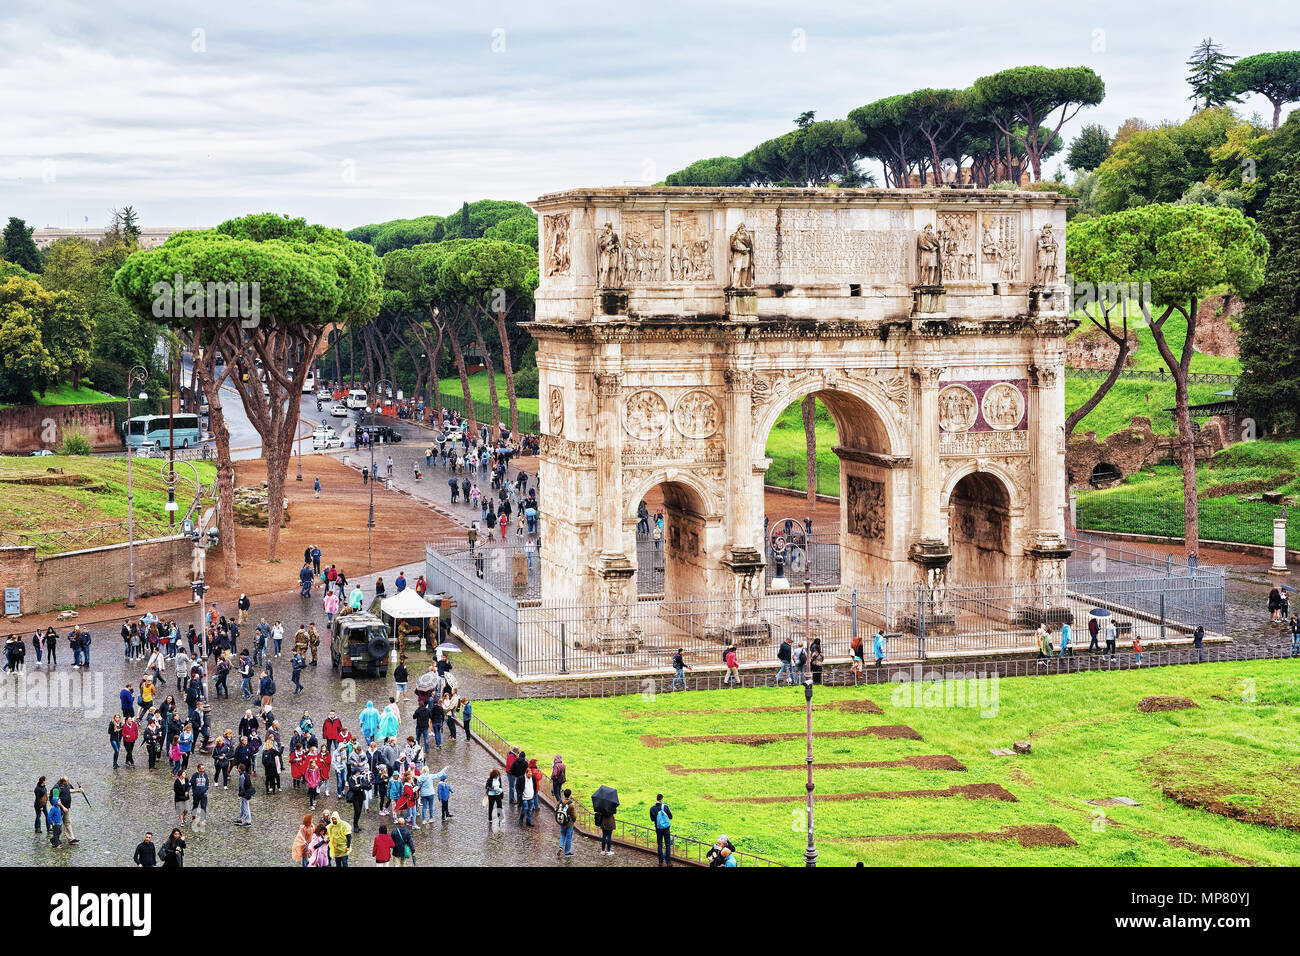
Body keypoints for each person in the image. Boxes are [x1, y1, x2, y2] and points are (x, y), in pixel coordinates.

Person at [651, 793, 673, 866]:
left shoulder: (652, 808)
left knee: (660, 845)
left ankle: (660, 861)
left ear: (656, 799)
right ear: (662, 799)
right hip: (666, 828)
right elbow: (670, 817)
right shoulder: (665, 807)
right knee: (667, 845)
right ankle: (668, 862)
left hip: (658, 829)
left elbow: (652, 819)